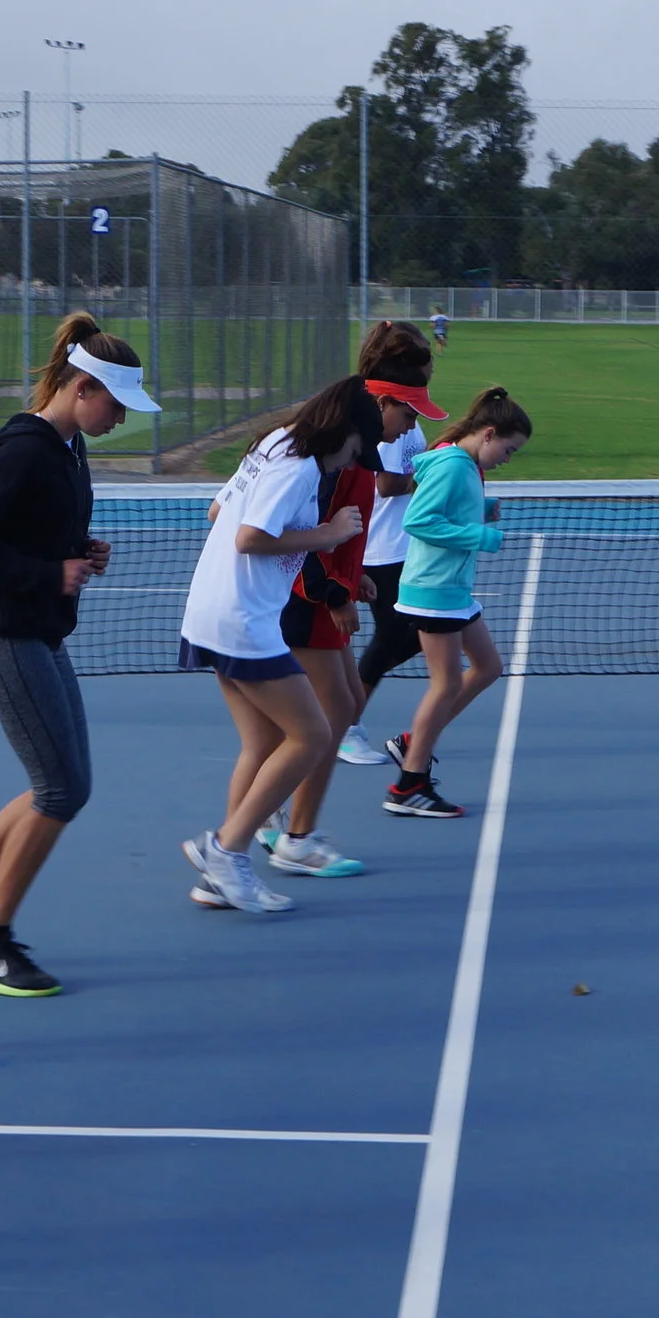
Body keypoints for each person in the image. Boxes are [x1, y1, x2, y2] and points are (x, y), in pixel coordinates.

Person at [0, 317, 151, 993]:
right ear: (82, 388)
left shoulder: (69, 448)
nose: (120, 419)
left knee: (65, 784)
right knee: (59, 788)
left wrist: (79, 552)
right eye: (115, 404)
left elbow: (34, 527)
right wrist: (49, 574)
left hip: (41, 632)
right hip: (6, 634)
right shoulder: (25, 449)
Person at [176, 377, 378, 912]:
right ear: (344, 433)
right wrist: (328, 534)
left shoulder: (274, 443)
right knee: (312, 735)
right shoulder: (300, 466)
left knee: (263, 742)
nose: (350, 463)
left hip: (212, 612)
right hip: (242, 620)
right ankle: (226, 849)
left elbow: (219, 512)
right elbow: (249, 537)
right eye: (356, 451)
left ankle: (220, 873)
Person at [385, 386, 531, 820]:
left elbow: (448, 509)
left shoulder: (463, 463)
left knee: (488, 667)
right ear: (488, 434)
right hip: (434, 590)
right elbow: (419, 520)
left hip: (452, 590)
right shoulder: (452, 465)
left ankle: (414, 742)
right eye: (508, 449)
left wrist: (480, 508)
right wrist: (479, 534)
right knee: (446, 684)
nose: (507, 459)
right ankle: (409, 785)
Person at [342, 322, 447, 768]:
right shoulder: (384, 415)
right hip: (382, 549)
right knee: (398, 636)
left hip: (399, 545)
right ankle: (344, 723)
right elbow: (386, 484)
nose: (431, 370)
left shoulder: (404, 414)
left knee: (415, 635)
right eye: (426, 363)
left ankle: (343, 715)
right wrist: (433, 479)